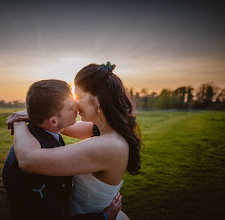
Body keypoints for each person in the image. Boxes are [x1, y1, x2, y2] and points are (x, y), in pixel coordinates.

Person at [9, 62, 141, 220]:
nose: (76, 104)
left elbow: (28, 159)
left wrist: (18, 124)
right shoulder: (104, 130)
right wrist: (35, 113)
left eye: (78, 96)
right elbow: (61, 124)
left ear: (97, 100)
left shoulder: (108, 146)